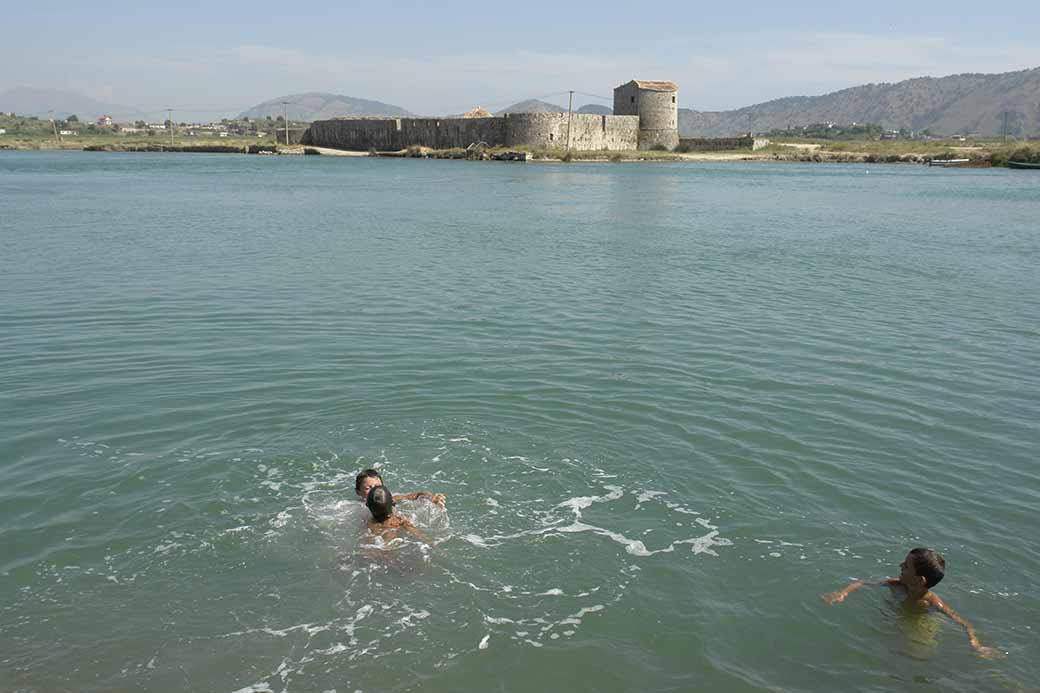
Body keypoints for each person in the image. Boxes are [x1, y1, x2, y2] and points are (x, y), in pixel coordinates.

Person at [822, 547, 1001, 658]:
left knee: (917, 655)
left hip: (921, 626)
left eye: (906, 566)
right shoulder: (897, 584)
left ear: (920, 580)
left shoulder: (932, 602)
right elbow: (862, 583)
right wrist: (842, 593)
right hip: (900, 619)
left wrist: (975, 644)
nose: (900, 565)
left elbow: (964, 624)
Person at [364, 485, 430, 544]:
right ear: (393, 502)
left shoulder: (371, 524)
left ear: (367, 505)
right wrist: (422, 494)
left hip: (382, 538)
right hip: (393, 532)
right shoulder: (398, 520)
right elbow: (417, 534)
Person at [355, 468, 445, 508]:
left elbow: (417, 495)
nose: (375, 490)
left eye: (378, 487)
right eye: (368, 488)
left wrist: (431, 498)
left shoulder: (390, 499)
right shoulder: (355, 506)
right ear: (358, 492)